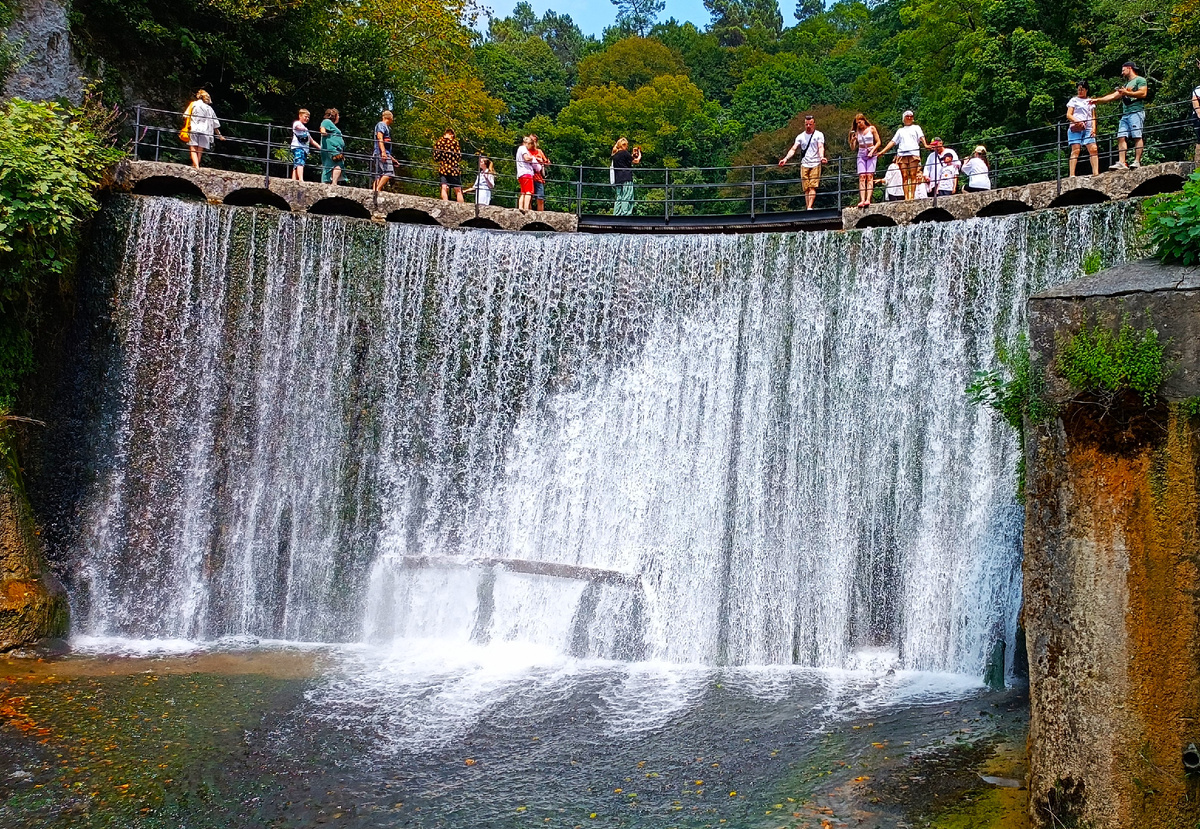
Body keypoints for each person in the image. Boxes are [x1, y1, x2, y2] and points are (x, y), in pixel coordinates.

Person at [1090, 61, 1148, 169]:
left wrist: (1127, 93)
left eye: (1123, 70)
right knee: (1121, 136)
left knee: (1137, 136)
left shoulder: (1140, 80)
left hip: (1136, 112)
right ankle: (1122, 162)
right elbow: (1112, 96)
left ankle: (1136, 161)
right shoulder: (1126, 85)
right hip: (1125, 114)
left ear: (1129, 68)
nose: (1122, 72)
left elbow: (1143, 93)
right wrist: (1097, 100)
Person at [872, 110, 929, 200]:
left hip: (913, 153)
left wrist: (925, 144)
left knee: (913, 174)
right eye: (907, 116)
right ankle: (906, 197)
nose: (909, 118)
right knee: (905, 176)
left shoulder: (916, 127)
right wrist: (882, 152)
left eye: (911, 116)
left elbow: (921, 137)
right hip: (902, 154)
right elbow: (893, 142)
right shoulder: (900, 130)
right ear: (904, 118)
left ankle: (912, 196)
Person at [778, 114, 827, 210]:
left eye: (810, 124)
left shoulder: (819, 135)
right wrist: (785, 159)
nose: (808, 126)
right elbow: (793, 148)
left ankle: (809, 207)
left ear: (814, 124)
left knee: (812, 186)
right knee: (806, 188)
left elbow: (821, 146)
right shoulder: (800, 137)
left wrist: (822, 157)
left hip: (815, 163)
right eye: (806, 124)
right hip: (804, 163)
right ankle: (808, 206)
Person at [848, 113, 881, 208]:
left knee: (869, 176)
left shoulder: (871, 129)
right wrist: (853, 140)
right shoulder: (856, 132)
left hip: (871, 151)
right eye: (857, 123)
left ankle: (868, 199)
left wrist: (873, 150)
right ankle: (862, 199)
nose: (859, 124)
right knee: (862, 176)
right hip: (861, 153)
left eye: (860, 122)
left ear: (864, 120)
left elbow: (878, 142)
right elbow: (853, 148)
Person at [1066, 82, 1099, 177]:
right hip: (1076, 128)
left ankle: (1096, 173)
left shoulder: (1090, 101)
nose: (1080, 91)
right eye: (1079, 89)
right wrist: (1077, 121)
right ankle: (1072, 174)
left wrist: (1094, 128)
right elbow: (1069, 115)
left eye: (1082, 89)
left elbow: (1093, 116)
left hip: (1088, 128)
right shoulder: (1073, 100)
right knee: (1076, 150)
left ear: (1086, 90)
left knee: (1093, 149)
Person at [184, 90, 223, 169]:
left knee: (193, 147)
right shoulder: (209, 109)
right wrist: (219, 135)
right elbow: (215, 124)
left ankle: (196, 166)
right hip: (205, 131)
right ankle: (197, 165)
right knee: (199, 150)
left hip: (194, 128)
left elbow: (185, 115)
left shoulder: (193, 104)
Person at [610, 137, 641, 216]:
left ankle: (616, 214)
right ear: (623, 145)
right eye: (626, 145)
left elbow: (625, 160)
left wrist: (633, 155)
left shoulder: (615, 155)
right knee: (627, 196)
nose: (627, 147)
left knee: (619, 197)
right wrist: (639, 154)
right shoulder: (624, 152)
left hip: (618, 178)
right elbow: (636, 161)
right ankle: (625, 214)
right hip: (626, 177)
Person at [433, 128, 465, 202]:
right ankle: (462, 206)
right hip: (453, 168)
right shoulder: (454, 142)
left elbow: (436, 157)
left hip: (443, 167)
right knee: (458, 189)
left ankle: (445, 203)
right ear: (452, 134)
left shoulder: (439, 142)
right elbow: (458, 156)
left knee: (444, 187)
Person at [290, 109, 321, 182]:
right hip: (298, 147)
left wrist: (320, 148)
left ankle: (293, 180)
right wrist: (303, 128)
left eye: (308, 117)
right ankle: (301, 179)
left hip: (303, 149)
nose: (307, 119)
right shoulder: (297, 123)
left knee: (297, 164)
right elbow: (296, 127)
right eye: (305, 116)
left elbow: (311, 140)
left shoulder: (306, 129)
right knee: (300, 162)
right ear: (300, 116)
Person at [515, 135, 543, 211]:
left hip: (520, 173)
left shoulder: (519, 149)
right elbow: (526, 158)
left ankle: (520, 207)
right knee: (529, 191)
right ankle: (526, 208)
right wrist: (533, 158)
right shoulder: (523, 148)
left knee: (523, 192)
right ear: (528, 143)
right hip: (526, 173)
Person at [319, 108, 345, 185]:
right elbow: (322, 128)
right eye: (338, 115)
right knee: (337, 163)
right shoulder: (327, 121)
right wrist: (323, 132)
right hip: (332, 149)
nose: (339, 117)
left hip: (336, 148)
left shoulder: (332, 125)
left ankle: (331, 182)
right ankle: (332, 183)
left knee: (333, 164)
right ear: (334, 116)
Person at [372, 111, 394, 192]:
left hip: (382, 152)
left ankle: (374, 191)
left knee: (380, 175)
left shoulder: (385, 127)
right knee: (389, 173)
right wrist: (383, 153)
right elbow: (380, 137)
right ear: (390, 118)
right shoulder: (382, 125)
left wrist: (392, 158)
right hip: (381, 152)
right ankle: (378, 189)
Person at [530, 135, 550, 211]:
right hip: (529, 176)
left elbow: (546, 162)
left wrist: (545, 162)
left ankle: (540, 215)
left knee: (540, 198)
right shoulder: (525, 151)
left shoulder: (539, 151)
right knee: (528, 197)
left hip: (539, 177)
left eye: (533, 140)